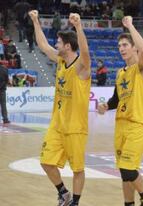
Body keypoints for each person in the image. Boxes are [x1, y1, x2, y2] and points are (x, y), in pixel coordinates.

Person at [30, 10, 91, 206]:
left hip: (75, 128)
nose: (55, 44)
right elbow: (42, 45)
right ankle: (63, 192)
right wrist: (35, 21)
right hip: (57, 125)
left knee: (77, 169)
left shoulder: (81, 67)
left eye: (58, 42)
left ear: (67, 46)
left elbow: (86, 54)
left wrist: (79, 27)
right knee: (46, 162)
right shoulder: (61, 61)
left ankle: (75, 202)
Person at [97, 16, 143, 206]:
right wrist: (106, 106)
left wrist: (130, 25)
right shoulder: (119, 73)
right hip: (120, 125)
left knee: (127, 166)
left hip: (137, 124)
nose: (121, 48)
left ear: (133, 48)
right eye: (119, 46)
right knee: (124, 172)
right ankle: (128, 203)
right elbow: (117, 99)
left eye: (125, 45)